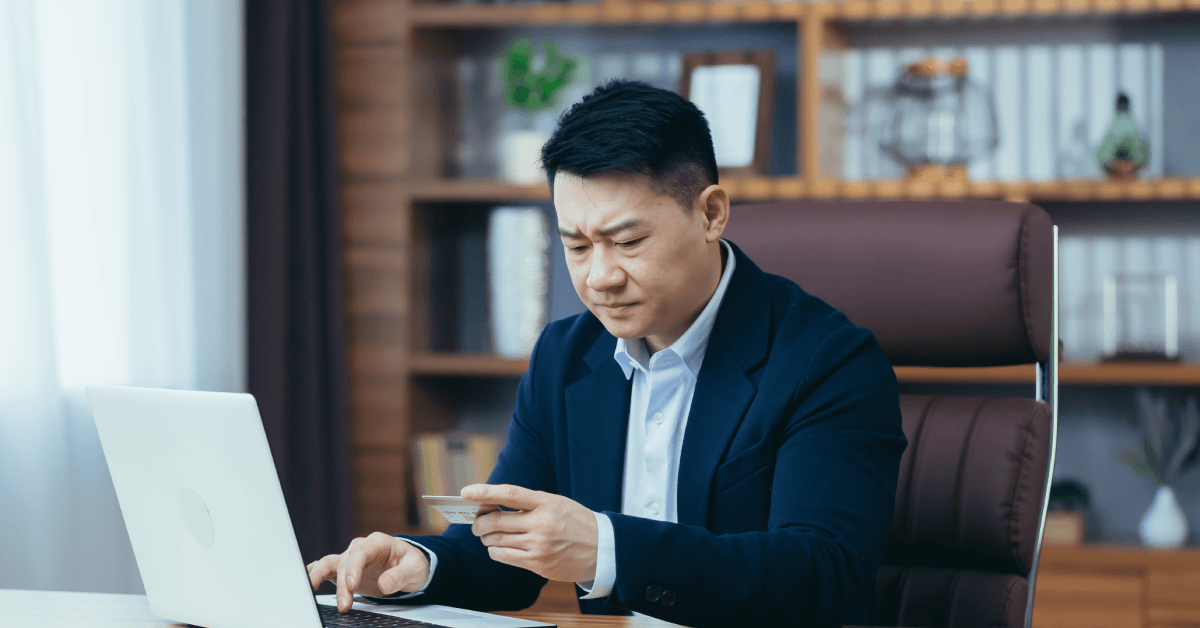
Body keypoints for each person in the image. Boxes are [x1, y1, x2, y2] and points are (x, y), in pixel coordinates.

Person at [307, 80, 906, 627]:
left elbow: (822, 572)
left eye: (628, 241)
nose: (599, 278)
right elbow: (506, 555)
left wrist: (604, 549)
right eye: (576, 246)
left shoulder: (827, 360)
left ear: (711, 214)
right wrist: (420, 565)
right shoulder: (565, 356)